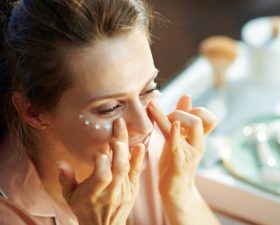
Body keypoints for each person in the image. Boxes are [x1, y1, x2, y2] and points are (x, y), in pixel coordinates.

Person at [0, 0, 220, 225]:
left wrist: (181, 192)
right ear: (33, 112)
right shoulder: (9, 214)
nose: (146, 126)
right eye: (110, 108)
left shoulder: (149, 151)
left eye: (149, 90)